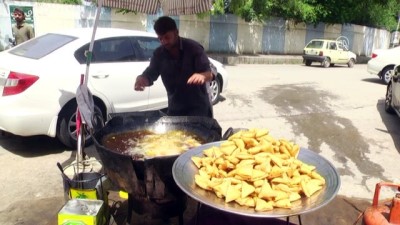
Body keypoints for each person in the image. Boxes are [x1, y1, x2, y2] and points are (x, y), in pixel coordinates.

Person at [134, 16, 214, 118]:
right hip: (175, 110)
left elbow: (210, 73)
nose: (164, 42)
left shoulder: (194, 48)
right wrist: (142, 79)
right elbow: (151, 73)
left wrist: (203, 76)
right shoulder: (159, 54)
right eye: (160, 38)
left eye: (167, 37)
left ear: (176, 32)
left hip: (198, 110)